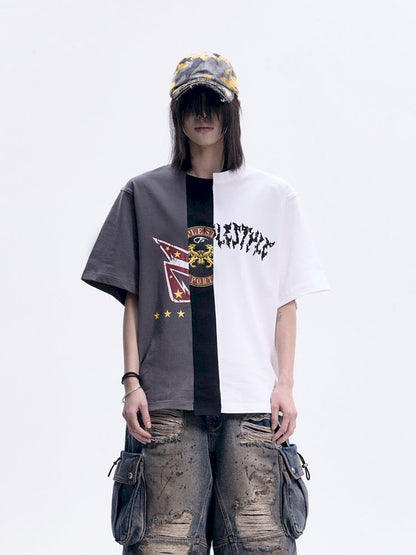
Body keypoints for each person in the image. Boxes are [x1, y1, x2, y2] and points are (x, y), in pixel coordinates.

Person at [81, 51, 330, 554]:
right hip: (167, 404)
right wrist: (131, 383)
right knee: (163, 546)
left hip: (252, 403)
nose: (202, 114)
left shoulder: (274, 197)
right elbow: (133, 298)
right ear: (176, 113)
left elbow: (285, 302)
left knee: (261, 546)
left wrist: (284, 384)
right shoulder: (143, 194)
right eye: (191, 103)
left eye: (213, 103)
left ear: (232, 111)